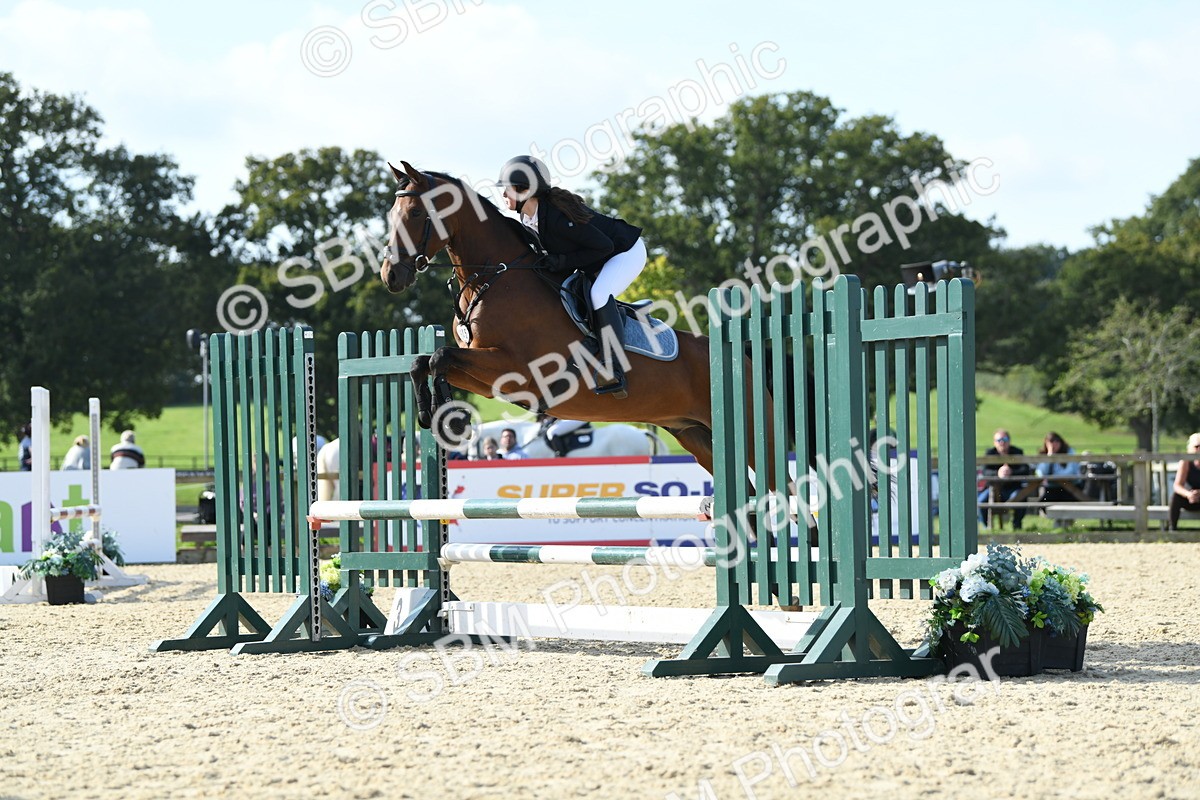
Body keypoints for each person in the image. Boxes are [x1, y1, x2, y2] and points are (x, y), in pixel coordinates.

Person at [496, 155, 646, 397]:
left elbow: (604, 246)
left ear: (526, 190)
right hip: (596, 259)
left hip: (625, 252)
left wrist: (562, 261)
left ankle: (614, 369)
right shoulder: (527, 219)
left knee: (598, 294)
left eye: (507, 189)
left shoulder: (556, 217)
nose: (503, 195)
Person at [977, 429, 1032, 530]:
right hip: (993, 489)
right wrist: (998, 473)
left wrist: (1011, 472)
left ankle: (1017, 526)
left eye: (1005, 439)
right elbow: (985, 471)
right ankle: (987, 529)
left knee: (1022, 497)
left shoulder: (1017, 452)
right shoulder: (990, 453)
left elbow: (1025, 469)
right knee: (980, 502)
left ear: (1009, 441)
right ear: (994, 442)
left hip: (1013, 488)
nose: (1002, 442)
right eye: (999, 440)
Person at [1035, 432, 1081, 504]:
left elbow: (1070, 472)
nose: (1054, 444)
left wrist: (1055, 476)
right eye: (1051, 442)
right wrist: (1050, 455)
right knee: (1042, 503)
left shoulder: (1069, 452)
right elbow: (1041, 473)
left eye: (1057, 441)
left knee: (1068, 501)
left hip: (1070, 487)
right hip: (1052, 487)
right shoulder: (1044, 454)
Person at [1168, 432, 1200, 530]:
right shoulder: (1185, 462)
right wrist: (1188, 494)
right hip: (1191, 498)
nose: (1199, 449)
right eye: (1197, 446)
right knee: (1175, 497)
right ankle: (1172, 530)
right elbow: (1177, 485)